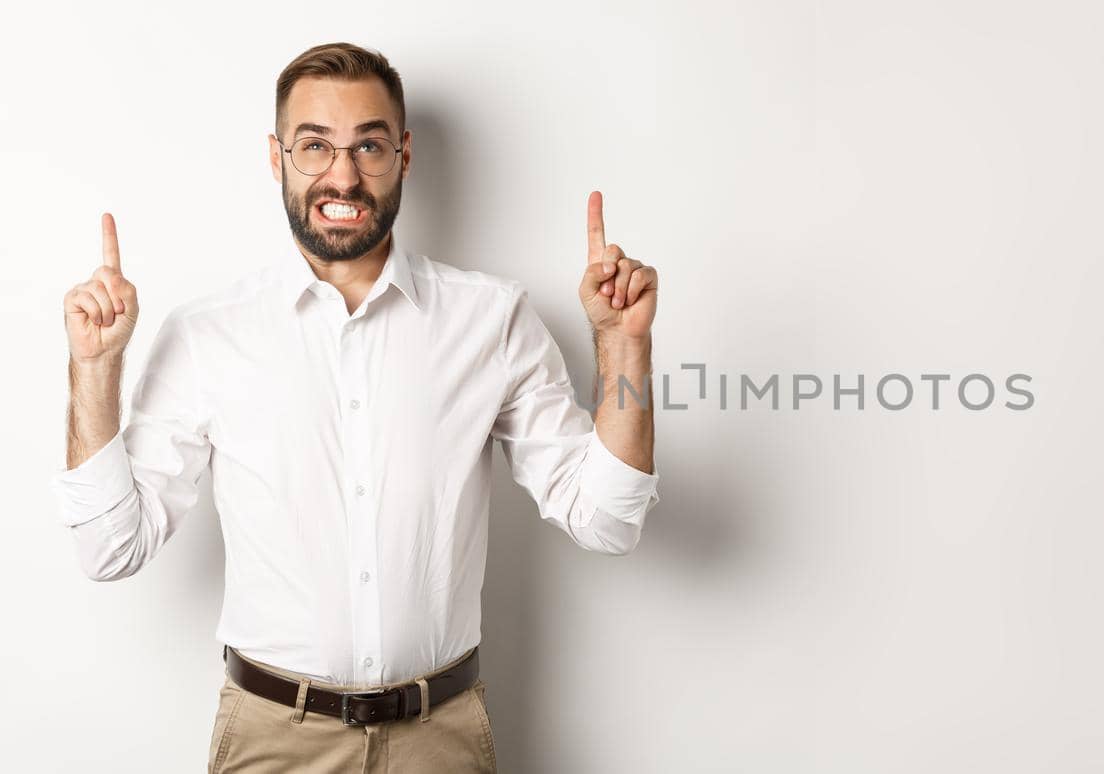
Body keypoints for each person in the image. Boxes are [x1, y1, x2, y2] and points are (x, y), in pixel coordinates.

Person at [49, 41, 662, 773]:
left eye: (368, 145)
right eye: (315, 146)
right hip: (273, 740)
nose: (343, 174)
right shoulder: (207, 335)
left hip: (443, 738)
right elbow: (112, 548)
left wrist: (622, 349)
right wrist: (95, 370)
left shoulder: (492, 320)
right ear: (277, 158)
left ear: (403, 155)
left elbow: (608, 520)